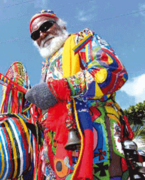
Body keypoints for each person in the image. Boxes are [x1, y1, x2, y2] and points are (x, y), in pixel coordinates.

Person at [25, 10, 131, 179]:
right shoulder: (45, 68)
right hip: (56, 148)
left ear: (61, 25)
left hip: (95, 133)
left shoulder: (82, 40)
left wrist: (62, 87)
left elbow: (113, 72)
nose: (42, 33)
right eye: (35, 34)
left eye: (46, 26)